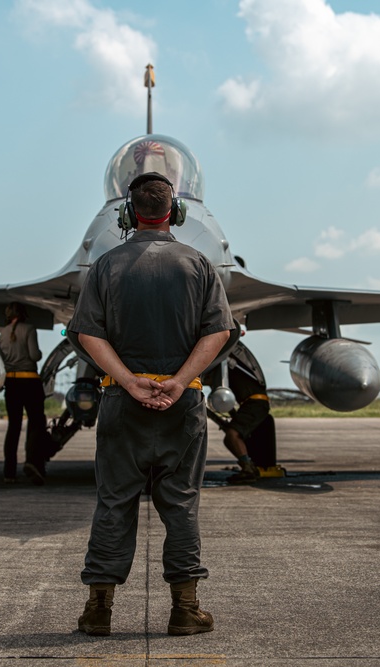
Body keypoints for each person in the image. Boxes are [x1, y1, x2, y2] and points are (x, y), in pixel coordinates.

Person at [68, 171, 236, 637]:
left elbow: (86, 333)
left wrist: (128, 381)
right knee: (181, 505)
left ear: (129, 213)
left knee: (113, 503)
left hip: (122, 405)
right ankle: (185, 610)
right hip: (183, 407)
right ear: (174, 213)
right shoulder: (199, 265)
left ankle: (97, 611)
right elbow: (219, 332)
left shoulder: (105, 267)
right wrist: (180, 382)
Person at [203, 345, 270, 484]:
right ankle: (249, 466)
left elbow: (209, 380)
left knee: (232, 436)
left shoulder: (225, 361)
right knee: (232, 434)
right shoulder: (233, 362)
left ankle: (248, 469)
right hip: (254, 403)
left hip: (255, 404)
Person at [0, 302, 47, 485]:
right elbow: (35, 355)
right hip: (30, 381)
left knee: (14, 426)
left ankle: (9, 472)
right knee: (36, 423)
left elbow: (1, 358)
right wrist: (38, 353)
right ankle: (33, 463)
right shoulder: (29, 329)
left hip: (12, 383)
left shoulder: (2, 334)